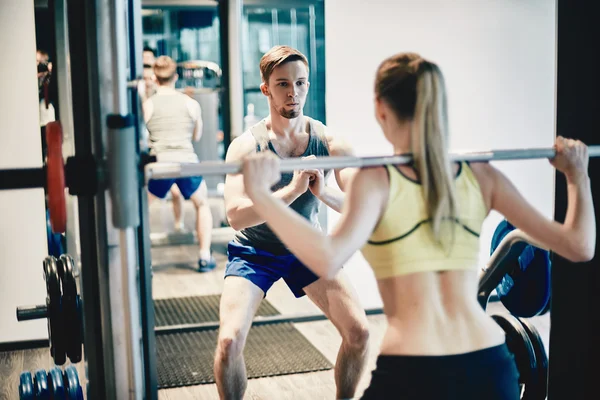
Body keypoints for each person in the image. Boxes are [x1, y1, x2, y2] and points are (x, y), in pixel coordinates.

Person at [240, 52, 596, 399]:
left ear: (380, 108)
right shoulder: (483, 176)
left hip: (414, 369)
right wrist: (577, 175)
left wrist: (264, 194)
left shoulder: (375, 182)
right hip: (491, 364)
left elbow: (326, 258)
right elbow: (579, 246)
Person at [215, 45, 370, 400]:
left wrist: (322, 193)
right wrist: (291, 190)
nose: (293, 92)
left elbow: (358, 206)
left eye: (300, 83)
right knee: (228, 342)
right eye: (283, 84)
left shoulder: (331, 142)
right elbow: (235, 215)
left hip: (307, 246)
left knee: (359, 332)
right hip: (256, 250)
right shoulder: (245, 147)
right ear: (266, 89)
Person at [142, 55, 216, 272]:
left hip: (160, 163)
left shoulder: (148, 105)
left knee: (142, 208)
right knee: (201, 204)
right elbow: (197, 135)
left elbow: (142, 136)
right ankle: (204, 256)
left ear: (155, 78)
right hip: (186, 162)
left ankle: (142, 258)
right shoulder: (190, 104)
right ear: (175, 77)